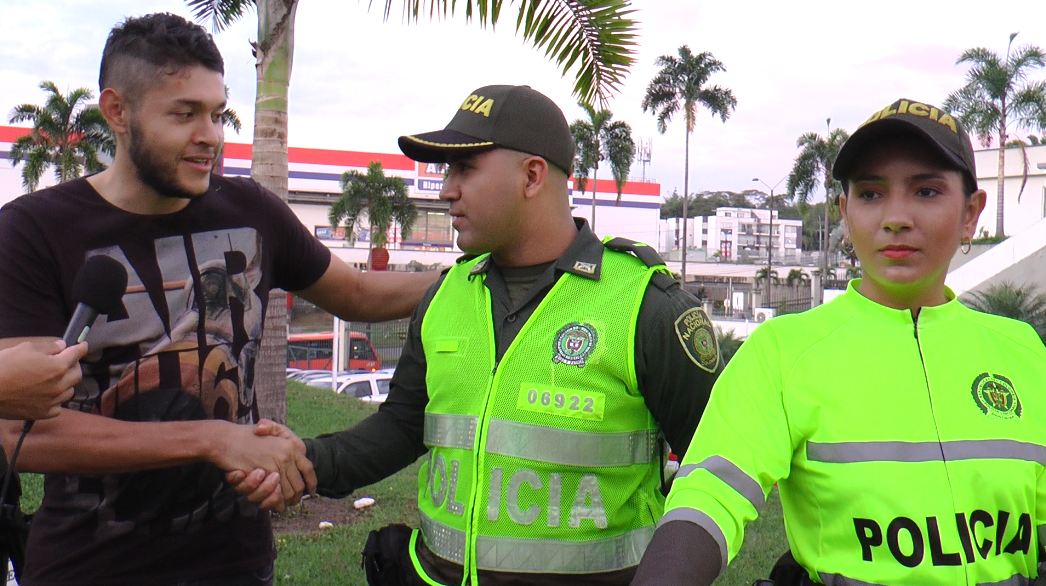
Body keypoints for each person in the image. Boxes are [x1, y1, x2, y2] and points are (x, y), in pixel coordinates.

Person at [0, 13, 435, 586]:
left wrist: (479, 274)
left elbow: (356, 294)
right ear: (117, 111)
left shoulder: (251, 209)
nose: (210, 135)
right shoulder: (33, 231)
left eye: (216, 113)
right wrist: (212, 440)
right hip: (88, 566)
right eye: (184, 114)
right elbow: (24, 434)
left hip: (237, 563)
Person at [232, 84, 720, 585]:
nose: (447, 189)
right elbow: (402, 427)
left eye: (465, 169)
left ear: (532, 176)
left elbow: (715, 477)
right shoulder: (447, 296)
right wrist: (308, 462)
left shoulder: (647, 307)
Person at [631, 98, 1046, 585]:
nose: (896, 217)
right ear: (846, 214)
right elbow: (708, 497)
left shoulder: (1023, 352)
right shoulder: (783, 352)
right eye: (871, 194)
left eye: (926, 191)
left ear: (971, 213)